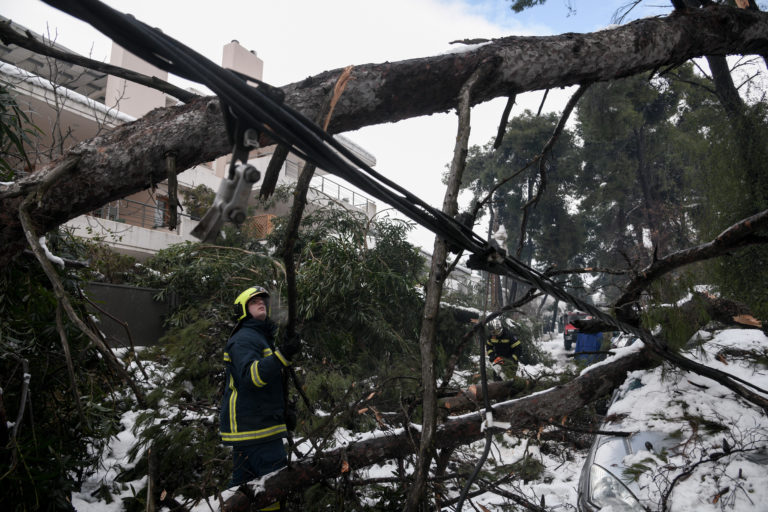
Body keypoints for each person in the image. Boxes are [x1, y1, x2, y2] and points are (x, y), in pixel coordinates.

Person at [219, 285, 301, 500]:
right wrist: (282, 355)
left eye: (263, 300)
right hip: (256, 430)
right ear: (242, 309)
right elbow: (252, 377)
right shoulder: (245, 338)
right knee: (272, 490)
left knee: (244, 492)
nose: (261, 303)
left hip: (256, 426)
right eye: (254, 301)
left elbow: (268, 384)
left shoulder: (260, 338)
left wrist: (282, 413)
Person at [486, 317, 521, 381]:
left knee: (509, 380)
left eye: (496, 331)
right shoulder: (491, 336)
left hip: (510, 360)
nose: (494, 334)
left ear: (500, 328)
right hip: (498, 359)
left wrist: (512, 359)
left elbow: (518, 349)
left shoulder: (509, 335)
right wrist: (491, 355)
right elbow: (489, 346)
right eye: (493, 332)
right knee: (497, 380)